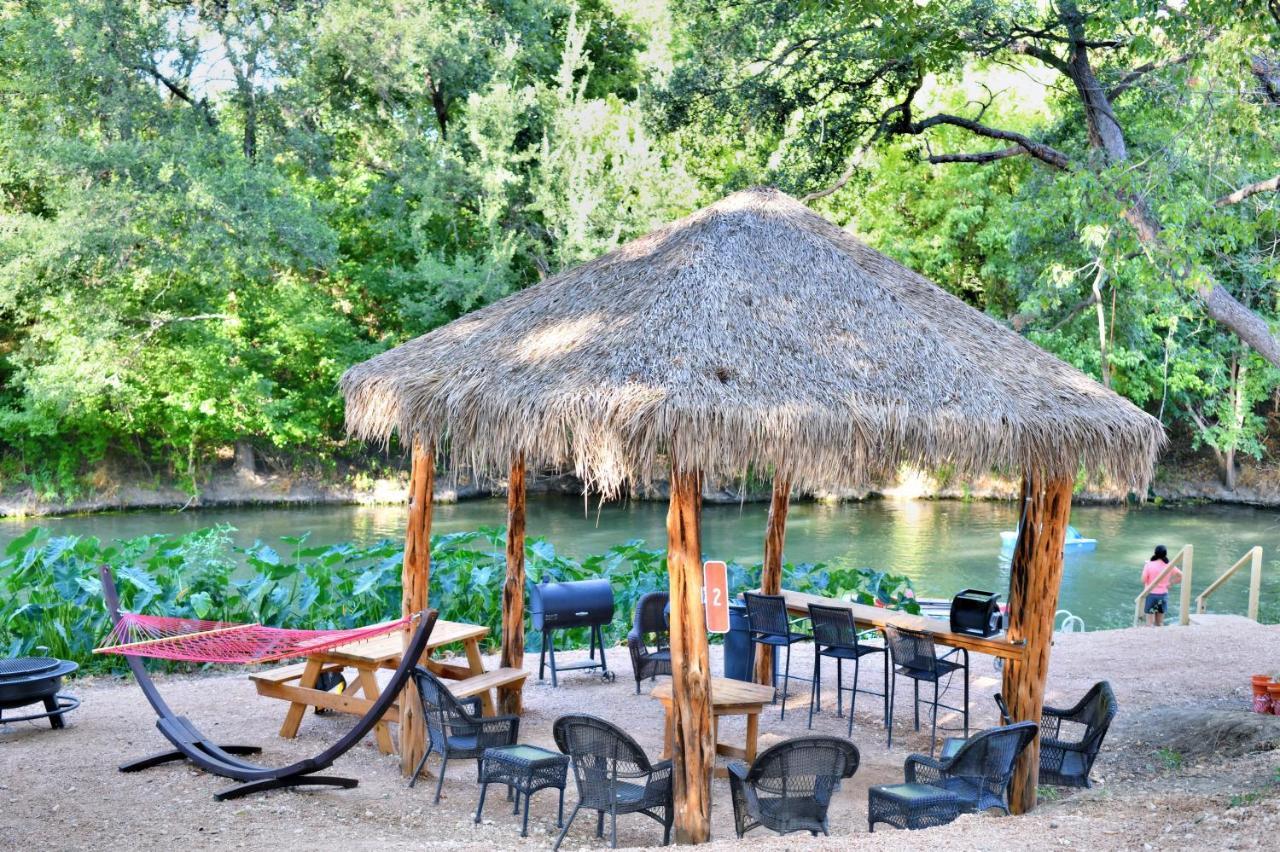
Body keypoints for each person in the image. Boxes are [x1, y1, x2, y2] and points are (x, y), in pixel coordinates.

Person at [1141, 545, 1181, 626]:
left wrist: (1146, 567)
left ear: (1155, 553)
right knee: (1160, 623)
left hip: (1151, 595)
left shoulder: (1149, 565)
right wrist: (1171, 583)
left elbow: (1143, 580)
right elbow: (1181, 575)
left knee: (1149, 622)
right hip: (1163, 595)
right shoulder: (1169, 565)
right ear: (1165, 554)